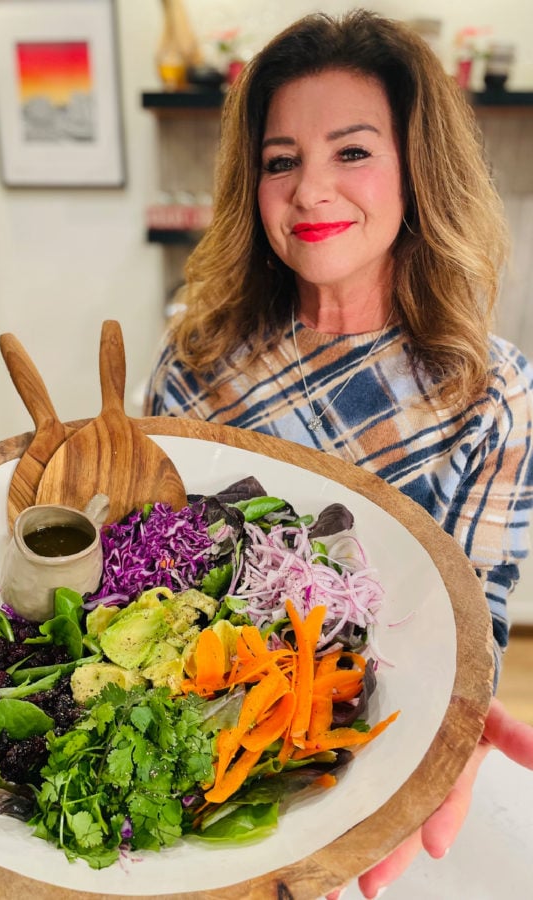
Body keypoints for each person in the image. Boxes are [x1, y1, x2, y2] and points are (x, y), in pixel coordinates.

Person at [144, 9, 533, 898]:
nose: (311, 191)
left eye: (352, 152)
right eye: (281, 161)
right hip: (202, 775)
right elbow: (152, 585)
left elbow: (477, 609)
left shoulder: (493, 393)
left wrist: (458, 725)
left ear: (417, 170)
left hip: (380, 767)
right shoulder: (197, 368)